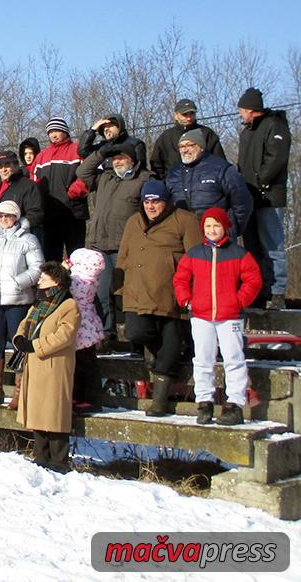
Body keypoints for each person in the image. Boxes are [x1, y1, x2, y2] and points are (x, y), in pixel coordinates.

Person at [116, 180, 203, 416]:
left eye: (156, 201)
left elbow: (197, 258)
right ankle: (165, 356)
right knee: (136, 332)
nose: (151, 206)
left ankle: (160, 399)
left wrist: (191, 289)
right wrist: (121, 283)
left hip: (171, 293)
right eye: (147, 201)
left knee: (171, 340)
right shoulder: (134, 221)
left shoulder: (185, 220)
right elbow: (123, 255)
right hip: (137, 290)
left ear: (166, 201)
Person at [174, 207, 262, 426]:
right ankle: (204, 402)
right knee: (203, 359)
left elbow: (253, 279)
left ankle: (234, 404)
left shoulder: (239, 253)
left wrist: (239, 300)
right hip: (201, 314)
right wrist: (186, 300)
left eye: (217, 225)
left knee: (234, 358)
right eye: (208, 226)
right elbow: (181, 279)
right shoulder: (194, 253)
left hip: (230, 315)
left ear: (225, 227)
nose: (212, 230)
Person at [75, 141, 151, 340]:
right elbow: (83, 171)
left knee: (129, 291)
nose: (117, 162)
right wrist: (101, 153)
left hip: (126, 245)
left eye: (122, 158)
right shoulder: (105, 178)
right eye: (114, 158)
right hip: (99, 244)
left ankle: (134, 334)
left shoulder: (143, 179)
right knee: (101, 293)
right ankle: (106, 333)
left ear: (133, 160)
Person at [0, 200, 44, 407]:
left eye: (8, 215)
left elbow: (37, 268)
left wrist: (18, 282)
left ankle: (19, 392)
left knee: (18, 344)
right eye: (1, 215)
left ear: (16, 217)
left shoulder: (28, 240)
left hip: (18, 300)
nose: (4, 219)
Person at [12, 261, 81, 473]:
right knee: (38, 411)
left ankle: (59, 460)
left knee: (54, 412)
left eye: (43, 278)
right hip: (35, 363)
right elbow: (25, 323)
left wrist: (36, 345)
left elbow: (65, 335)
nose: (39, 281)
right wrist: (19, 339)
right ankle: (41, 455)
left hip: (54, 364)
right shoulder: (39, 303)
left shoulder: (69, 305)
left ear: (56, 281)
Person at [237, 87, 292, 309]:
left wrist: (261, 180)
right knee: (252, 246)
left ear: (251, 110)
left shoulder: (274, 125)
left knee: (272, 244)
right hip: (249, 196)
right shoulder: (247, 132)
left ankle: (276, 290)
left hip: (269, 197)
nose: (240, 114)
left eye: (242, 110)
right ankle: (258, 288)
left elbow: (276, 157)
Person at [166, 128, 252, 237]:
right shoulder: (174, 172)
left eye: (189, 145)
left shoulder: (221, 168)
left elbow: (242, 200)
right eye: (182, 146)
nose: (185, 150)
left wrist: (232, 227)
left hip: (217, 233)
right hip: (187, 234)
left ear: (201, 147)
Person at [32, 118, 87, 261]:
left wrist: (74, 192)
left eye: (57, 131)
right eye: (50, 132)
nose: (54, 135)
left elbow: (89, 175)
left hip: (73, 213)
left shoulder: (77, 150)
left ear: (65, 131)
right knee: (51, 258)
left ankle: (78, 283)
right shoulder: (42, 156)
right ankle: (53, 284)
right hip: (50, 215)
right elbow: (34, 182)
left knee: (77, 258)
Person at [68, 248, 107, 413]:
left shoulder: (80, 281)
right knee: (79, 364)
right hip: (86, 326)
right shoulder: (91, 278)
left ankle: (90, 398)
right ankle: (79, 395)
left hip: (81, 327)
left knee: (85, 364)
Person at [149, 99, 226, 178]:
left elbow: (220, 162)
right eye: (184, 114)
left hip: (203, 184)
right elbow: (157, 167)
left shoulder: (207, 134)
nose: (189, 118)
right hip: (174, 185)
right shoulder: (165, 138)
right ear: (175, 115)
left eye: (191, 114)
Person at [0, 151, 44, 230]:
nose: (3, 170)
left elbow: (36, 214)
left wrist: (16, 225)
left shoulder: (28, 186)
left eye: (7, 165)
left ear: (16, 166)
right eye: (0, 166)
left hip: (16, 237)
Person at [77, 112, 148, 167]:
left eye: (109, 125)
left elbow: (140, 169)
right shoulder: (103, 146)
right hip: (107, 184)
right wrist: (92, 130)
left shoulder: (135, 144)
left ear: (119, 126)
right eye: (103, 128)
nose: (106, 129)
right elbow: (83, 151)